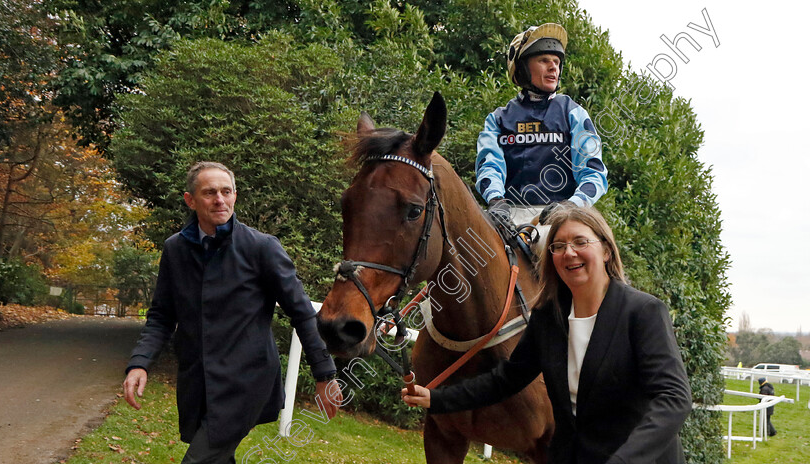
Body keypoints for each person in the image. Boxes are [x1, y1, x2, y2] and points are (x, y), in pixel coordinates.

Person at [402, 205, 692, 463]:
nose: (569, 252)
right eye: (558, 246)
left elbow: (674, 397)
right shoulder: (548, 317)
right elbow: (507, 379)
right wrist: (437, 398)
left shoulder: (643, 312)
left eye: (580, 242)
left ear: (605, 250)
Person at [123, 162, 341, 464]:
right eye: (210, 192)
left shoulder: (262, 248)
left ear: (235, 196)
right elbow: (161, 315)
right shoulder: (175, 250)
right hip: (198, 382)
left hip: (246, 384)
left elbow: (302, 313)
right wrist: (140, 363)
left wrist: (324, 374)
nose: (219, 200)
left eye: (226, 192)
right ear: (191, 200)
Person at [477, 23, 608, 234]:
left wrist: (570, 206)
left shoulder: (573, 113)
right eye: (544, 61)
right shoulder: (498, 119)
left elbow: (593, 173)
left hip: (562, 215)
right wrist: (495, 200)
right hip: (507, 215)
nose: (553, 67)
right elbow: (489, 165)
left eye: (556, 62)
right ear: (522, 68)